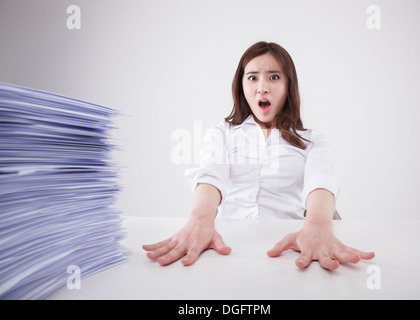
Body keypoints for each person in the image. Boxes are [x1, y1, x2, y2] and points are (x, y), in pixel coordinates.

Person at [143, 41, 375, 270]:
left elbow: (320, 181)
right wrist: (199, 220)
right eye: (252, 77)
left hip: (291, 250)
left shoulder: (312, 139)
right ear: (241, 86)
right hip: (227, 250)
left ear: (288, 86)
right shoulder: (222, 133)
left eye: (274, 77)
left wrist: (318, 226)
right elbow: (211, 174)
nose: (262, 87)